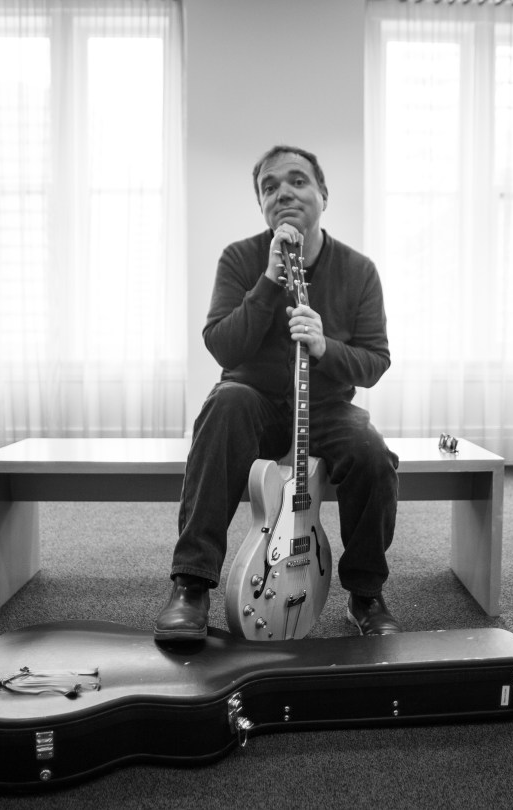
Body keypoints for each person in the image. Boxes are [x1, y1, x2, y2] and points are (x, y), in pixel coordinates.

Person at [154, 145, 402, 642]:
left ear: (323, 195)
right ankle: (192, 585)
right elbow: (223, 345)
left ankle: (365, 594)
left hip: (327, 407)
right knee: (226, 402)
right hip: (255, 402)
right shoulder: (241, 258)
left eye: (297, 181)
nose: (283, 192)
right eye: (270, 187)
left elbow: (375, 361)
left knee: (373, 454)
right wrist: (268, 283)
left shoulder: (359, 271)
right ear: (262, 205)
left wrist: (325, 345)